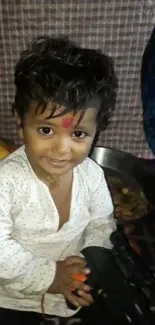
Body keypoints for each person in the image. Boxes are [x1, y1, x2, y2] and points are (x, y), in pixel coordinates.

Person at [0, 36, 117, 325]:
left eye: (78, 134)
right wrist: (52, 276)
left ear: (95, 130)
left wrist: (88, 265)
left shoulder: (91, 175)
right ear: (20, 121)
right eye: (46, 130)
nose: (62, 150)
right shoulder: (7, 182)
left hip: (72, 286)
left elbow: (102, 222)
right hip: (12, 297)